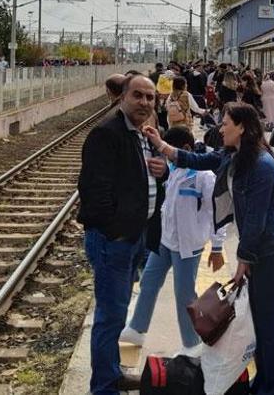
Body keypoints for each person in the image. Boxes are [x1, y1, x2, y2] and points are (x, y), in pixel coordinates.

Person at [144, 102, 274, 395]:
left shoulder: (262, 166)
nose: (220, 128)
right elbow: (194, 160)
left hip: (271, 254)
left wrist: (242, 260)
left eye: (226, 124)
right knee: (256, 325)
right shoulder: (232, 156)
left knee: (268, 327)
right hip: (256, 250)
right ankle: (262, 384)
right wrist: (160, 144)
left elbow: (256, 221)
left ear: (243, 128)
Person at [77, 75, 168, 394]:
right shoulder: (107, 134)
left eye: (150, 97)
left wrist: (164, 171)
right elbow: (93, 191)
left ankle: (111, 373)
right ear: (123, 98)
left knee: (117, 311)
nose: (145, 102)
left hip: (135, 237)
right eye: (138, 96)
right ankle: (103, 386)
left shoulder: (143, 132)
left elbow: (147, 175)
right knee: (110, 315)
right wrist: (115, 232)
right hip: (114, 240)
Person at [120, 126, 226, 357]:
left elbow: (216, 213)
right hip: (166, 241)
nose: (165, 156)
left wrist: (217, 247)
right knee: (148, 281)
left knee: (184, 295)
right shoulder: (174, 169)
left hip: (188, 246)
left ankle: (191, 344)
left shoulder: (204, 176)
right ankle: (137, 328)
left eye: (167, 151)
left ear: (185, 149)